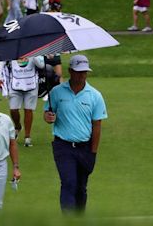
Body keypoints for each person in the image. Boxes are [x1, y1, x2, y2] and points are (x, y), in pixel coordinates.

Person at [43, 55, 107, 213]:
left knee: (81, 188)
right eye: (78, 72)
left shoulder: (95, 95)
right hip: (63, 146)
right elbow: (47, 114)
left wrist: (93, 152)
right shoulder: (56, 92)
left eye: (84, 72)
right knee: (69, 182)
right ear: (70, 71)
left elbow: (97, 125)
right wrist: (49, 117)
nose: (81, 75)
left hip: (85, 147)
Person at [0, 56, 45, 147]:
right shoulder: (12, 48)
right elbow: (1, 63)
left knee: (28, 109)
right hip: (15, 82)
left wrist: (33, 54)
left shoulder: (36, 49)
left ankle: (27, 137)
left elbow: (41, 65)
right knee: (13, 110)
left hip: (31, 83)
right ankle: (17, 126)